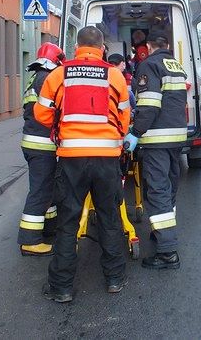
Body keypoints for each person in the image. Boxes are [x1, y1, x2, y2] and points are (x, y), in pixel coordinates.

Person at [34, 26, 131, 303]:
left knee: (68, 222)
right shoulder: (115, 76)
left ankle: (61, 287)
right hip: (107, 160)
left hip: (71, 159)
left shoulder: (58, 74)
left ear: (76, 46)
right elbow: (124, 118)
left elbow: (41, 113)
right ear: (102, 48)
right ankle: (114, 279)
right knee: (109, 218)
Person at [124, 32, 187, 270]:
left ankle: (167, 252)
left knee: (157, 190)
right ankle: (161, 232)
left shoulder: (149, 65)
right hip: (176, 137)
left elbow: (149, 105)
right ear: (168, 46)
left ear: (149, 47)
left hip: (158, 139)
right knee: (169, 187)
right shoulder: (176, 65)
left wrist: (135, 133)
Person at [18, 42, 64, 256]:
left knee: (48, 187)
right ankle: (30, 240)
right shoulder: (47, 78)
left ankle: (49, 228)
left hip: (35, 142)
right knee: (40, 191)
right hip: (41, 143)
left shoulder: (35, 76)